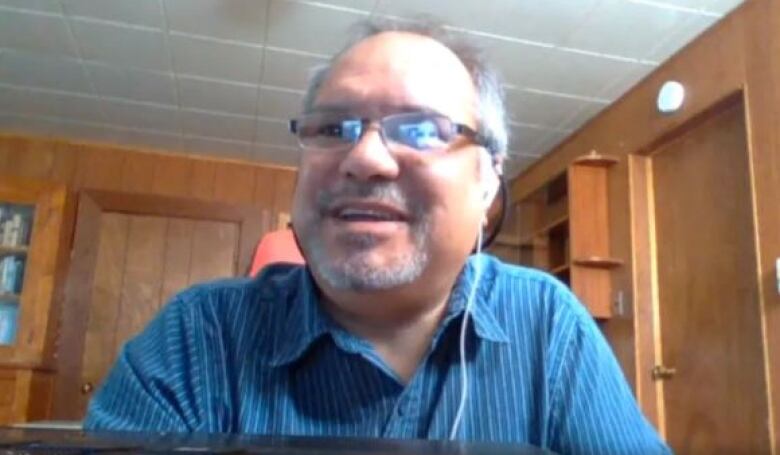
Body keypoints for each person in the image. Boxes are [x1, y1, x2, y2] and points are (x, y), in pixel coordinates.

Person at [85, 19, 670, 454]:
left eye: (420, 129)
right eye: (333, 128)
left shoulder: (545, 324)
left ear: (487, 179)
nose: (364, 157)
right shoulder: (196, 337)